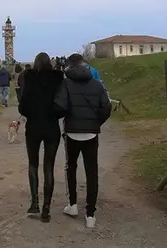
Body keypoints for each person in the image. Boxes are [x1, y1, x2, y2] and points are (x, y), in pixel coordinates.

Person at [54, 53, 111, 229]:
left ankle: (72, 205)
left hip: (72, 133)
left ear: (69, 66)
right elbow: (106, 107)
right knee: (91, 171)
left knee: (70, 167)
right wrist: (96, 123)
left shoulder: (65, 83)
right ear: (85, 66)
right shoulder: (97, 84)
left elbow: (60, 107)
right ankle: (90, 214)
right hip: (91, 134)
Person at [18, 52, 63, 222]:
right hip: (52, 127)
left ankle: (35, 202)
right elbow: (62, 104)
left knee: (33, 164)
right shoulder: (58, 79)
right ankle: (46, 208)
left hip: (34, 127)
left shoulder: (30, 79)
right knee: (49, 167)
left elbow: (23, 108)